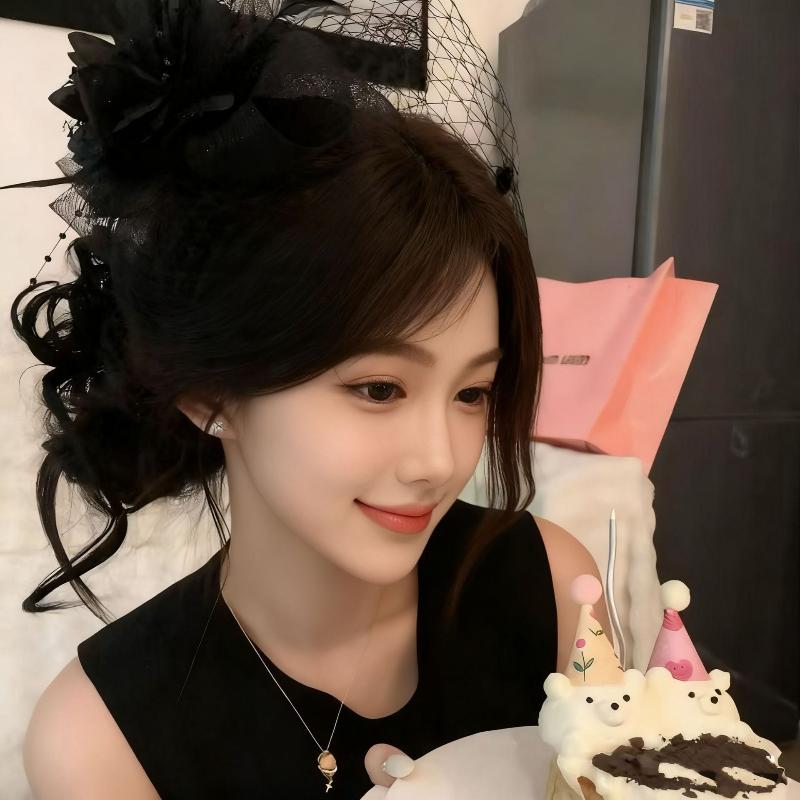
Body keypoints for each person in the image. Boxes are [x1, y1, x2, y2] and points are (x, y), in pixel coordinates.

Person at [8, 1, 610, 797]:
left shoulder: (552, 589)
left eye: (473, 392)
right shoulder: (103, 744)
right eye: (379, 389)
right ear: (210, 390)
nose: (440, 461)